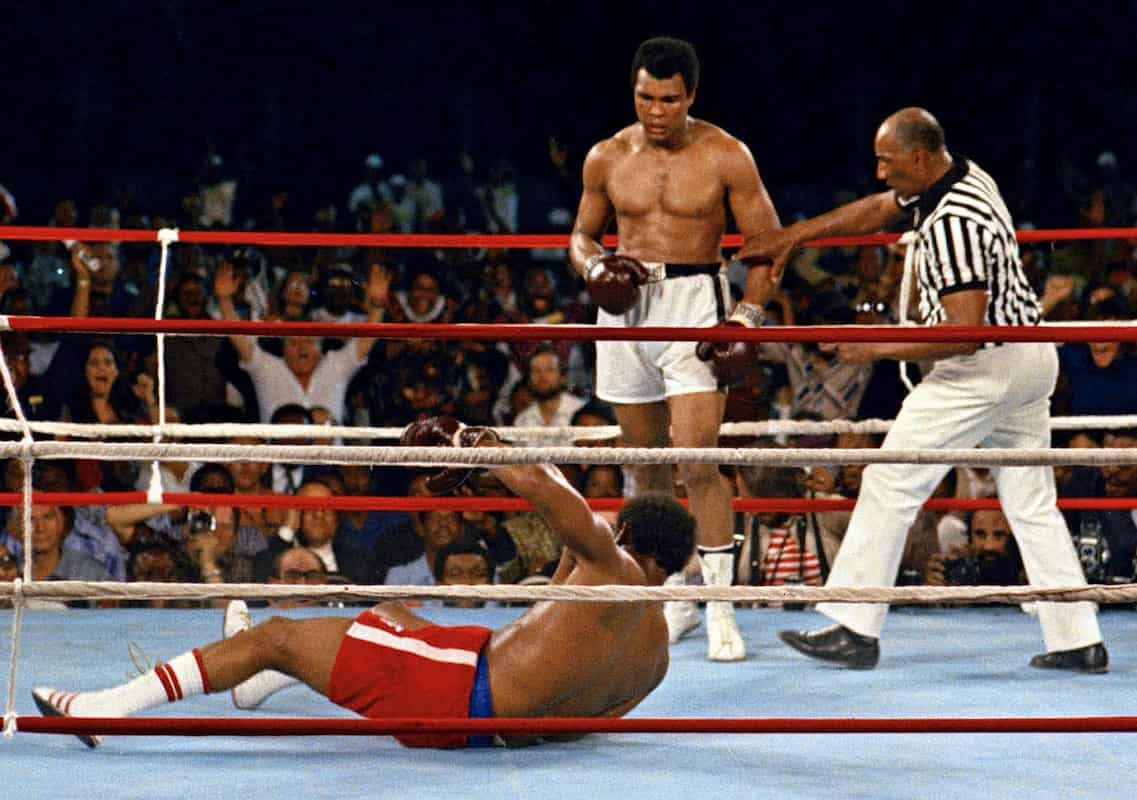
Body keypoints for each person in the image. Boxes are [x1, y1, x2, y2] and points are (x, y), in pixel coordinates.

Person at [33, 415, 696, 750]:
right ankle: (256, 684)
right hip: (485, 725)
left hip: (461, 689)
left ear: (627, 536)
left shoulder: (612, 567)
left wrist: (470, 440)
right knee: (389, 613)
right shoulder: (655, 658)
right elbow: (572, 703)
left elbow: (549, 490)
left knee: (277, 635)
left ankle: (108, 706)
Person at [741, 107, 1107, 673]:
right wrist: (796, 234)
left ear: (917, 156)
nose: (880, 174)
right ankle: (1077, 637)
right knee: (1031, 501)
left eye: (887, 162)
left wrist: (874, 347)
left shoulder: (953, 224)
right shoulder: (957, 173)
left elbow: (964, 333)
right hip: (1029, 356)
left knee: (889, 479)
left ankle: (854, 625)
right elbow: (880, 208)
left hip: (985, 365)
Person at [569, 36, 781, 661]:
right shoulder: (606, 155)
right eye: (644, 97)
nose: (654, 111)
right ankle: (668, 599)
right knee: (645, 468)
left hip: (695, 302)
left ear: (690, 96)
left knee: (697, 462)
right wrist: (593, 267)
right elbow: (581, 235)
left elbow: (767, 241)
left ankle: (720, 608)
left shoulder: (725, 155)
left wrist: (746, 316)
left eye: (667, 99)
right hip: (625, 307)